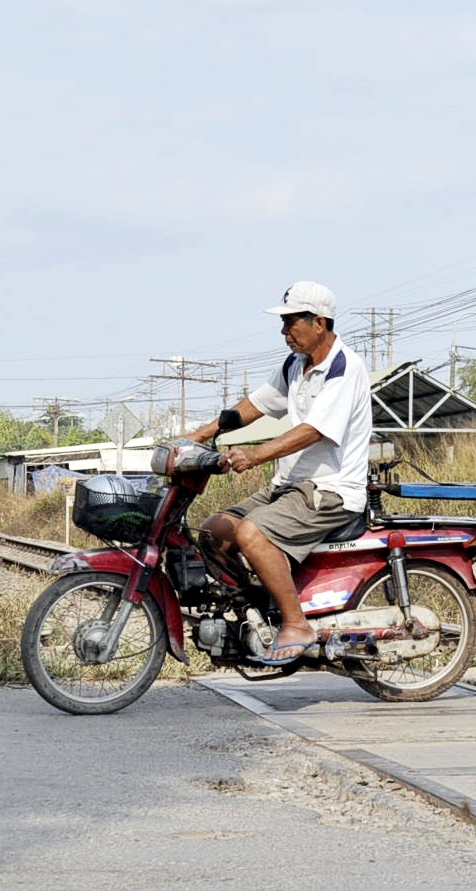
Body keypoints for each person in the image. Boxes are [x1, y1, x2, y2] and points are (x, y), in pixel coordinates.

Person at [188, 281, 373, 665]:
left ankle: (296, 623)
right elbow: (255, 405)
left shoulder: (344, 367)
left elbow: (314, 430)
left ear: (318, 322)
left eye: (291, 322)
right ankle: (254, 615)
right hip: (290, 486)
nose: (284, 331)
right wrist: (201, 434)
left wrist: (256, 455)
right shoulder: (295, 366)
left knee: (251, 533)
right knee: (213, 531)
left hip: (331, 489)